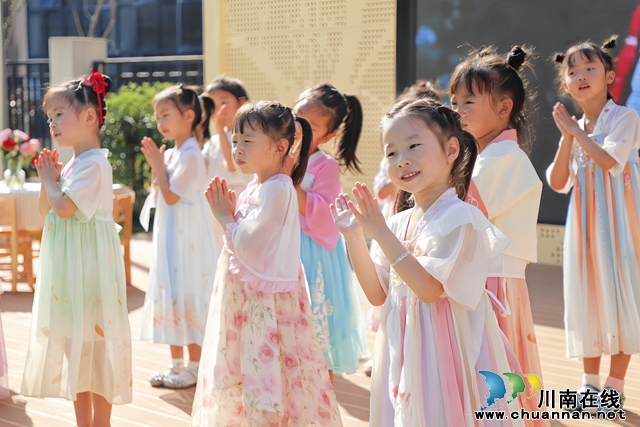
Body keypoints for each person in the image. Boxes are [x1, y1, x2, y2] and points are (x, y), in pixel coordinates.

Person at [331, 98, 522, 426]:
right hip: (404, 347)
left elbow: (430, 289)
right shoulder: (397, 222)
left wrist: (379, 231)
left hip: (442, 350)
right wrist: (353, 237)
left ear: (451, 150)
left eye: (413, 146)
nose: (401, 160)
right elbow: (378, 295)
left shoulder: (461, 218)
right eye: (391, 153)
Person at [191, 101, 342, 426]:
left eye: (247, 141)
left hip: (264, 302)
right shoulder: (261, 186)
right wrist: (233, 216)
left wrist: (223, 217)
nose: (237, 149)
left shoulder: (277, 189)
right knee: (250, 368)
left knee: (264, 370)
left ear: (280, 146)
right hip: (249, 297)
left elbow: (251, 243)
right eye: (235, 140)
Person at [21, 70, 132, 427]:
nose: (52, 122)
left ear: (89, 117)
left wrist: (50, 182)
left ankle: (101, 423)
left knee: (95, 352)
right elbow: (47, 210)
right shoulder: (72, 164)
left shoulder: (94, 164)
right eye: (49, 116)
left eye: (59, 114)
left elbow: (66, 208)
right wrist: (48, 182)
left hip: (90, 273)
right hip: (73, 271)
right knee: (78, 351)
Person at [449, 46, 546, 423]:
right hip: (486, 278)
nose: (457, 110)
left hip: (494, 282)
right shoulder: (485, 156)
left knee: (494, 375)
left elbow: (465, 213)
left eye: (468, 102)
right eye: (454, 100)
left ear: (503, 107)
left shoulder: (504, 158)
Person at [547, 36, 640, 411]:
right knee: (587, 296)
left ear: (611, 76)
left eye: (590, 68)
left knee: (621, 296)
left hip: (621, 229)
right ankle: (588, 383)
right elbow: (557, 182)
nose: (581, 75)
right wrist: (569, 137)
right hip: (583, 233)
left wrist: (576, 134)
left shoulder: (625, 118)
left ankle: (614, 386)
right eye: (573, 71)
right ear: (565, 84)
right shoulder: (574, 127)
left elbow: (608, 162)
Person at [139, 85, 217, 389]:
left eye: (166, 115)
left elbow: (170, 197)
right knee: (170, 290)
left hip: (188, 239)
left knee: (189, 291)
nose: (161, 122)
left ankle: (195, 366)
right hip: (171, 234)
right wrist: (159, 167)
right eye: (158, 116)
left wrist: (158, 168)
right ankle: (175, 365)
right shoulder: (172, 152)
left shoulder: (192, 155)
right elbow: (161, 190)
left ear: (188, 115)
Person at [292, 84, 369, 380]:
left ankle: (321, 393)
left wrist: (286, 176)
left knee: (317, 326)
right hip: (283, 246)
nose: (298, 128)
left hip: (312, 253)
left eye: (310, 126)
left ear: (328, 135)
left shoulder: (324, 165)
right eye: (296, 116)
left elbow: (323, 213)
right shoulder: (277, 153)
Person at [201, 76, 254, 251]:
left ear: (242, 103)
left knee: (233, 249)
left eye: (224, 103)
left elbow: (233, 167)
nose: (218, 111)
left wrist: (221, 130)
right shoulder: (214, 141)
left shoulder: (249, 137)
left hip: (236, 201)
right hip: (215, 204)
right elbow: (200, 169)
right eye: (212, 105)